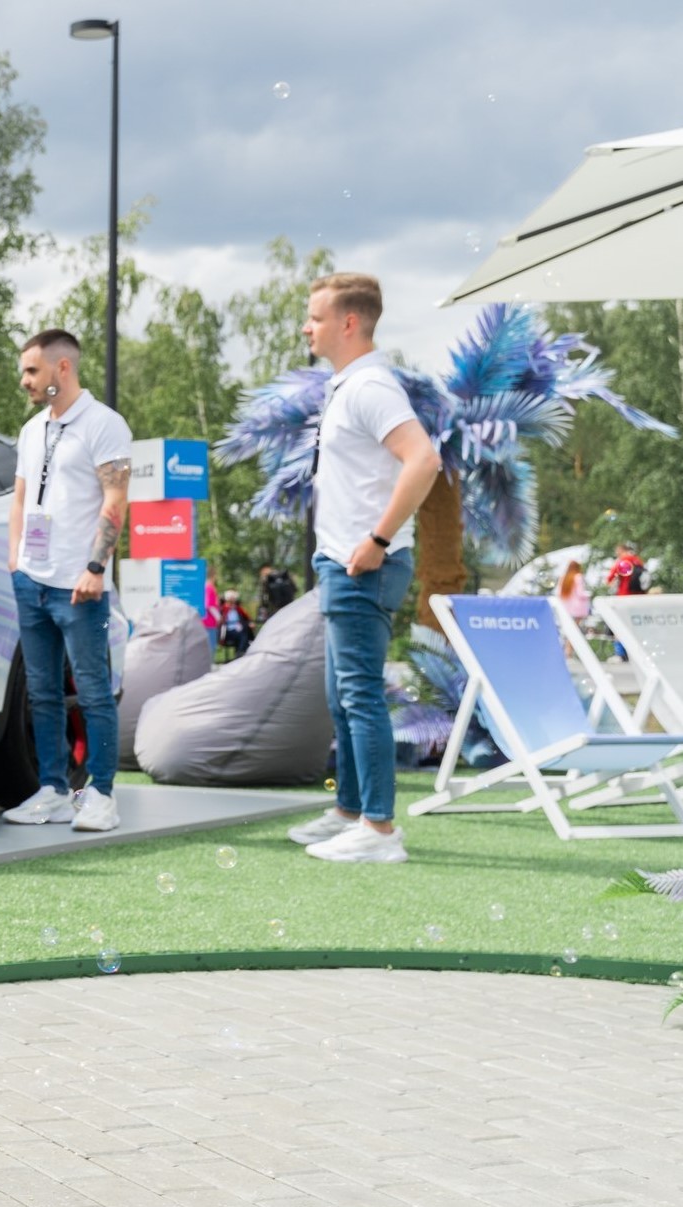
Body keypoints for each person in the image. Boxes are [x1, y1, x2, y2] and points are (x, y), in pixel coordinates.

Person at [285, 273, 441, 865]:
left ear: (349, 323)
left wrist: (377, 539)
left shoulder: (371, 386)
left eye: (316, 317)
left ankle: (379, 830)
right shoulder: (349, 385)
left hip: (363, 566)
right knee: (342, 695)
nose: (307, 327)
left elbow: (423, 459)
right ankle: (350, 811)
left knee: (359, 695)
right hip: (342, 563)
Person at [1, 328, 131, 832]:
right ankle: (52, 791)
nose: (24, 380)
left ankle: (101, 795)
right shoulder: (32, 430)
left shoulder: (104, 424)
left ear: (63, 368)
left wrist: (96, 568)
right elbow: (20, 498)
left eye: (32, 370)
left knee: (93, 692)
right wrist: (15, 559)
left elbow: (115, 499)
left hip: (80, 585)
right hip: (31, 580)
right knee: (41, 693)